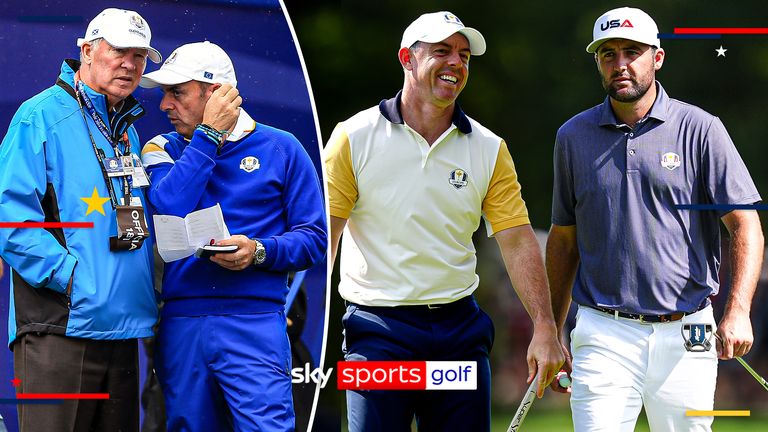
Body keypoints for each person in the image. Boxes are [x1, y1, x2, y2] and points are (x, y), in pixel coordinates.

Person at [324, 11, 564, 431]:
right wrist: (296, 319)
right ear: (407, 58)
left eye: (465, 55)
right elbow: (327, 235)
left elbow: (518, 240)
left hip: (459, 334)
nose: (456, 62)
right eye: (442, 51)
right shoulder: (353, 136)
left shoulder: (489, 148)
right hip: (376, 333)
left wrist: (545, 327)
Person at [546, 6, 764, 432]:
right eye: (608, 54)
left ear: (657, 58)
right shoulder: (572, 136)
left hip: (688, 332)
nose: (620, 64)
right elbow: (564, 240)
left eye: (632, 51)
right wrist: (552, 331)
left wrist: (738, 310)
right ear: (597, 62)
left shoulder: (701, 129)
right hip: (602, 331)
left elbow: (746, 224)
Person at [139, 41, 327, 431]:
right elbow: (170, 204)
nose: (164, 105)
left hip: (254, 320)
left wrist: (259, 251)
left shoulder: (283, 148)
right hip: (182, 320)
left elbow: (314, 238)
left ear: (216, 93)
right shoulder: (162, 147)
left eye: (177, 92)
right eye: (164, 94)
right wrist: (208, 134)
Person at [0, 8, 161, 431]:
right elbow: (9, 216)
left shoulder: (126, 128)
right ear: (87, 51)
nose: (130, 64)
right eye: (119, 51)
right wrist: (71, 279)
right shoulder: (40, 115)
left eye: (139, 55)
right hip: (61, 329)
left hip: (122, 328)